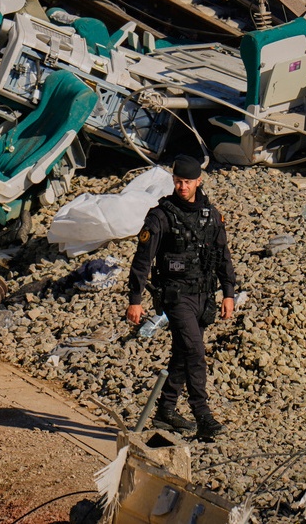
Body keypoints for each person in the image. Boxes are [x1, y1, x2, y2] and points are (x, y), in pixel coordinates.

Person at [126, 154, 236, 439]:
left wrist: (229, 293)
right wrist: (135, 299)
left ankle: (165, 411)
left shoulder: (210, 215)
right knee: (196, 353)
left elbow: (223, 256)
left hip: (203, 296)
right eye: (177, 181)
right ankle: (203, 416)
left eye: (187, 182)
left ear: (198, 182)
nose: (182, 186)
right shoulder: (161, 216)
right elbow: (142, 260)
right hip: (176, 298)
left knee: (183, 355)